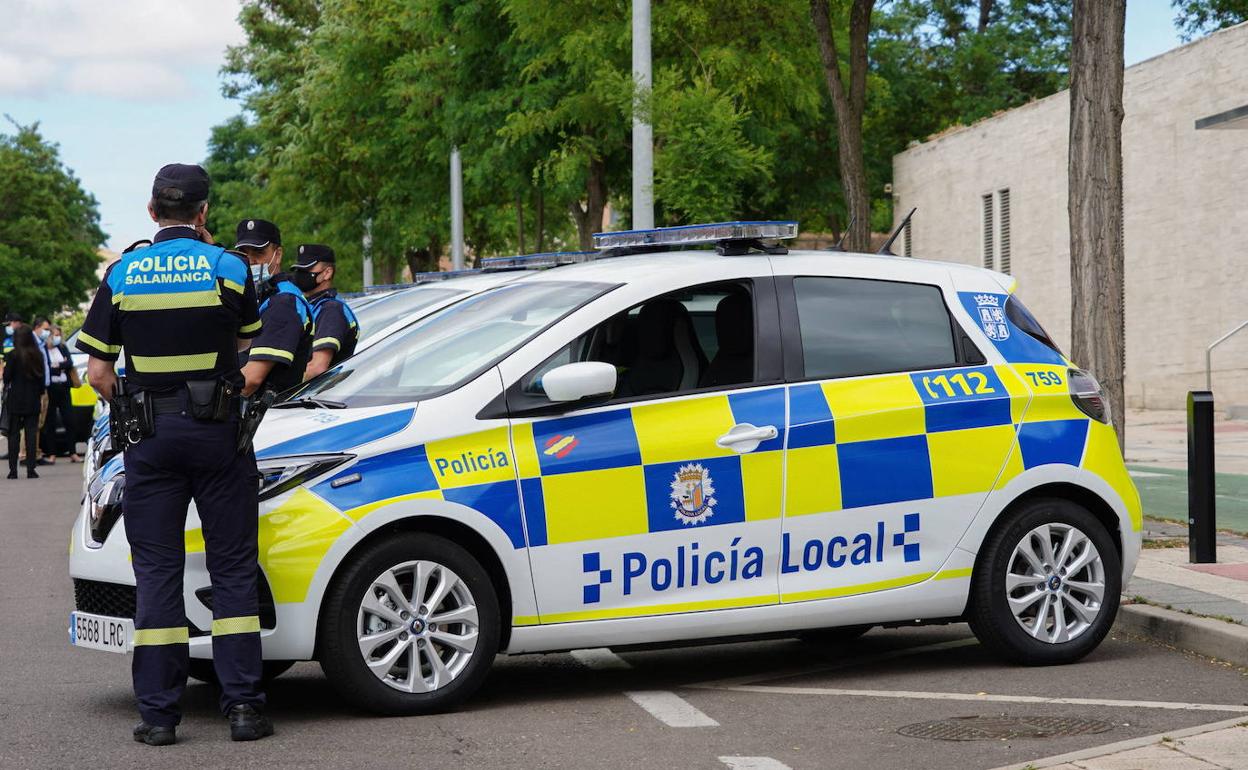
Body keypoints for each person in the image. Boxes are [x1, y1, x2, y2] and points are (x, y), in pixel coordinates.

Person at [76, 163, 274, 746]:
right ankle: (242, 709)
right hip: (217, 435)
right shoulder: (229, 268)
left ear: (151, 210)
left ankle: (159, 716)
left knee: (157, 571)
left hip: (150, 439)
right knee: (232, 567)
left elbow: (97, 371)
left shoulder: (123, 273)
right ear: (204, 212)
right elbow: (245, 348)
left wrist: (137, 407)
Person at [234, 219, 314, 394]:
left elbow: (251, 380)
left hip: (269, 415)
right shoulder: (262, 296)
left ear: (277, 255)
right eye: (244, 253)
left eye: (258, 252)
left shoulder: (283, 302)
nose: (251, 260)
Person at [291, 244, 358, 379]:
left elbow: (317, 368)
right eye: (299, 269)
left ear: (327, 272)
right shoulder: (311, 306)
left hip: (320, 395)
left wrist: (283, 384)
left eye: (307, 269)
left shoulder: (331, 309)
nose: (300, 274)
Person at [3, 325, 46, 479]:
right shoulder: (37, 355)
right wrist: (40, 394)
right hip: (33, 398)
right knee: (31, 433)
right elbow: (42, 379)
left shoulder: (13, 355)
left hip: (15, 398)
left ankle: (13, 470)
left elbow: (7, 377)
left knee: (13, 434)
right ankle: (31, 469)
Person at [41, 324, 81, 463]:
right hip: (51, 389)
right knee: (50, 422)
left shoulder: (62, 348)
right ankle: (52, 454)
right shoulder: (44, 350)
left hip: (64, 387)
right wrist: (59, 366)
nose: (58, 338)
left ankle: (73, 452)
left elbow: (69, 362)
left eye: (59, 335)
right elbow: (45, 368)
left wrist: (57, 366)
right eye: (55, 335)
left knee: (70, 420)